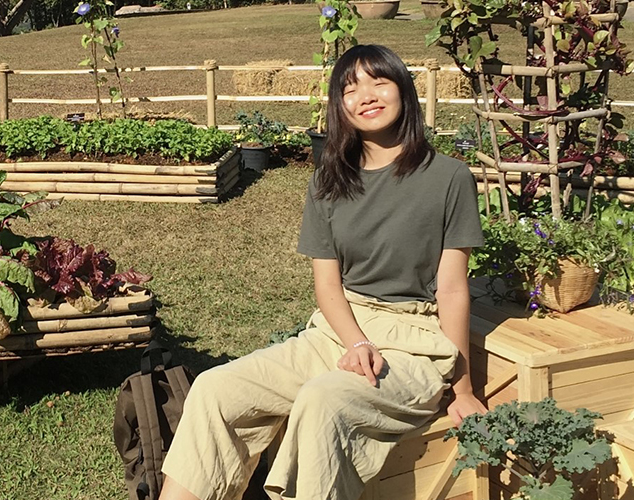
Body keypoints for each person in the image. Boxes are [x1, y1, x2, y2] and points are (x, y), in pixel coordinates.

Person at [158, 44, 487, 500]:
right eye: (350, 89)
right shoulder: (329, 181)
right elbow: (327, 285)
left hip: (415, 341)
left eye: (379, 82)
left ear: (404, 90)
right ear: (339, 106)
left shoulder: (449, 177)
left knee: (323, 400)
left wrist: (463, 387)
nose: (366, 96)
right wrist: (356, 342)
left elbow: (452, 290)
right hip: (338, 332)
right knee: (215, 388)